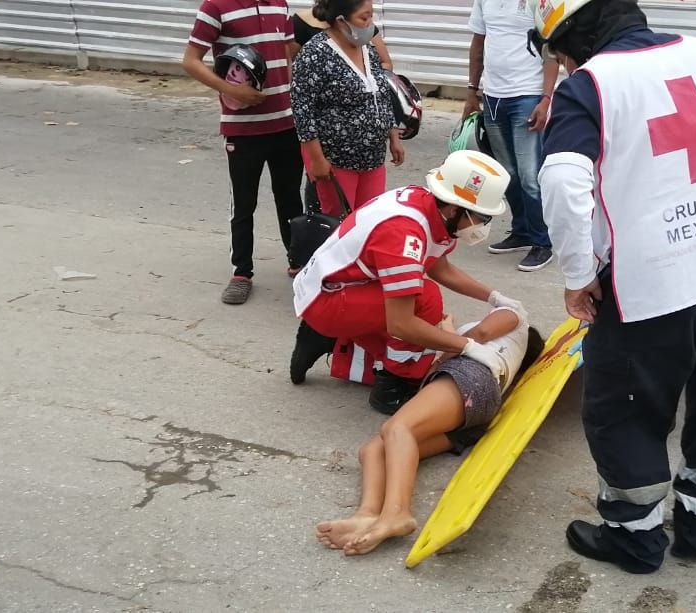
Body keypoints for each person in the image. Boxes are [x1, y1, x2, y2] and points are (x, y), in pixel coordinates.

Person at [530, 0, 696, 574]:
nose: (567, 66)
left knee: (626, 409)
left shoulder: (593, 86)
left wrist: (577, 276)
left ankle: (635, 538)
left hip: (647, 285)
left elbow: (562, 180)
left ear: (574, 38)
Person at [288, 150, 528, 416]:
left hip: (338, 287)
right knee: (424, 301)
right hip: (330, 298)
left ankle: (327, 338)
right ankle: (391, 388)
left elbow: (440, 267)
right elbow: (401, 324)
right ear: (453, 208)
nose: (483, 225)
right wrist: (467, 346)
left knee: (417, 327)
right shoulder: (403, 233)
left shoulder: (429, 207)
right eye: (482, 217)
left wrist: (493, 297)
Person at [314, 306, 545, 555]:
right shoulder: (506, 359)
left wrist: (450, 336)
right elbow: (468, 339)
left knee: (397, 427)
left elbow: (481, 331)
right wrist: (450, 331)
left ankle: (397, 513)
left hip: (469, 377)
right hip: (473, 406)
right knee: (373, 450)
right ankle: (367, 515)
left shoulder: (516, 315)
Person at [182, 0, 305, 305]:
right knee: (244, 202)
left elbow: (289, 51)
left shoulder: (279, 4)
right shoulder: (216, 6)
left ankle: (298, 264)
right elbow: (191, 60)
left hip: (286, 124)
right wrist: (233, 90)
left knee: (291, 199)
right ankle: (242, 272)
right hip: (243, 129)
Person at [463, 0, 559, 272]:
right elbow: (478, 44)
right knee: (506, 173)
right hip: (493, 97)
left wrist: (546, 98)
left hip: (527, 96)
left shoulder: (538, 3)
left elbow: (550, 51)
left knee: (530, 176)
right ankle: (522, 230)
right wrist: (472, 91)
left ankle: (543, 242)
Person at [291, 0, 406, 219]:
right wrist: (316, 159)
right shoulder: (315, 54)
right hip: (336, 160)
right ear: (342, 21)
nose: (370, 23)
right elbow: (302, 109)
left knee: (369, 221)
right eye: (364, 17)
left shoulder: (367, 51)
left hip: (372, 158)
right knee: (340, 224)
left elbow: (381, 94)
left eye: (371, 15)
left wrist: (393, 136)